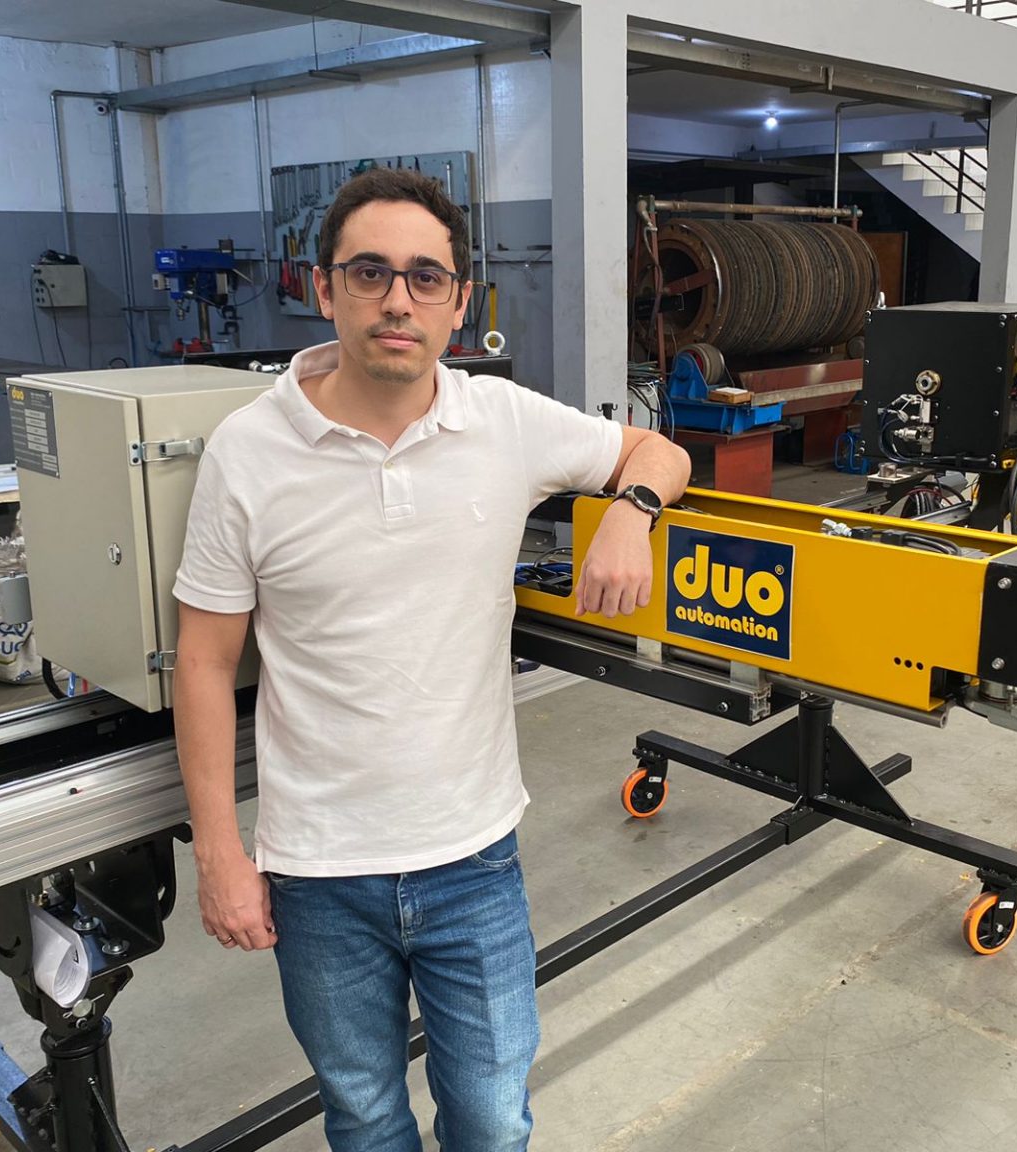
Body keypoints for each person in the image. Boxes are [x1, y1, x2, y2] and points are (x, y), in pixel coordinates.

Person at [172, 167, 691, 1152]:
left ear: (459, 302)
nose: (397, 300)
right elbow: (201, 661)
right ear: (324, 289)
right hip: (317, 868)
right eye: (369, 273)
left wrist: (631, 514)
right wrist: (220, 855)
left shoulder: (502, 421)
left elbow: (659, 453)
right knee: (365, 1118)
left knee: (492, 1121)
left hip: (472, 858)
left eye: (425, 277)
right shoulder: (248, 450)